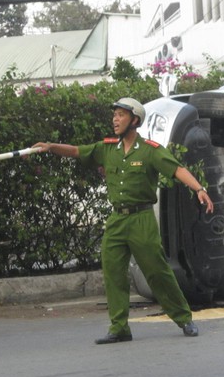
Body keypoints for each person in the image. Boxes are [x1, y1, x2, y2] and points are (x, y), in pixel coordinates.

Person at [33, 97, 214, 344]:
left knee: (157, 272)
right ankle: (119, 328)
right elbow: (77, 151)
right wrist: (51, 147)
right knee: (113, 272)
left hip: (141, 219)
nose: (115, 119)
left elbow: (176, 169)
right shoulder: (108, 148)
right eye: (114, 115)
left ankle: (184, 318)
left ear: (135, 120)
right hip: (117, 220)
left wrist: (199, 189)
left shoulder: (150, 150)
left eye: (120, 115)